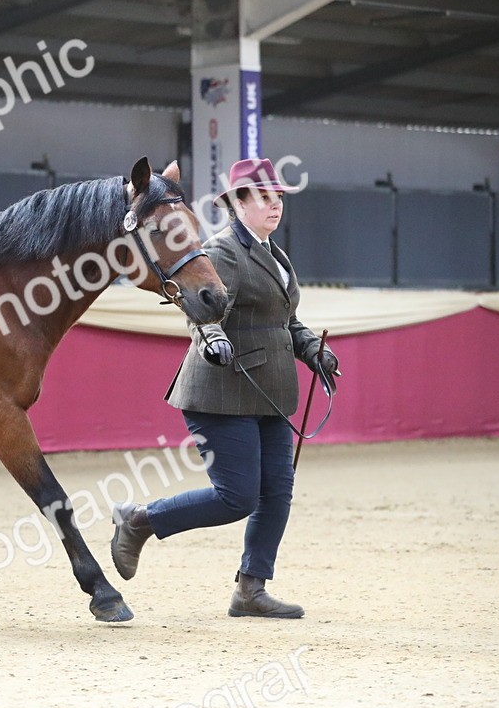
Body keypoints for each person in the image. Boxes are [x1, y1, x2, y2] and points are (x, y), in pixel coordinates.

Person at [110, 158, 341, 618]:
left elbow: (284, 321)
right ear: (238, 204)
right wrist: (213, 336)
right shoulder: (222, 252)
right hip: (221, 387)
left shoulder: (275, 254)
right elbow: (200, 309)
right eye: (263, 198)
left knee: (277, 491)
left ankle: (251, 589)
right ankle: (139, 521)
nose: (275, 205)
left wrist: (314, 349)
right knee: (238, 496)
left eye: (278, 198)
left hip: (268, 391)